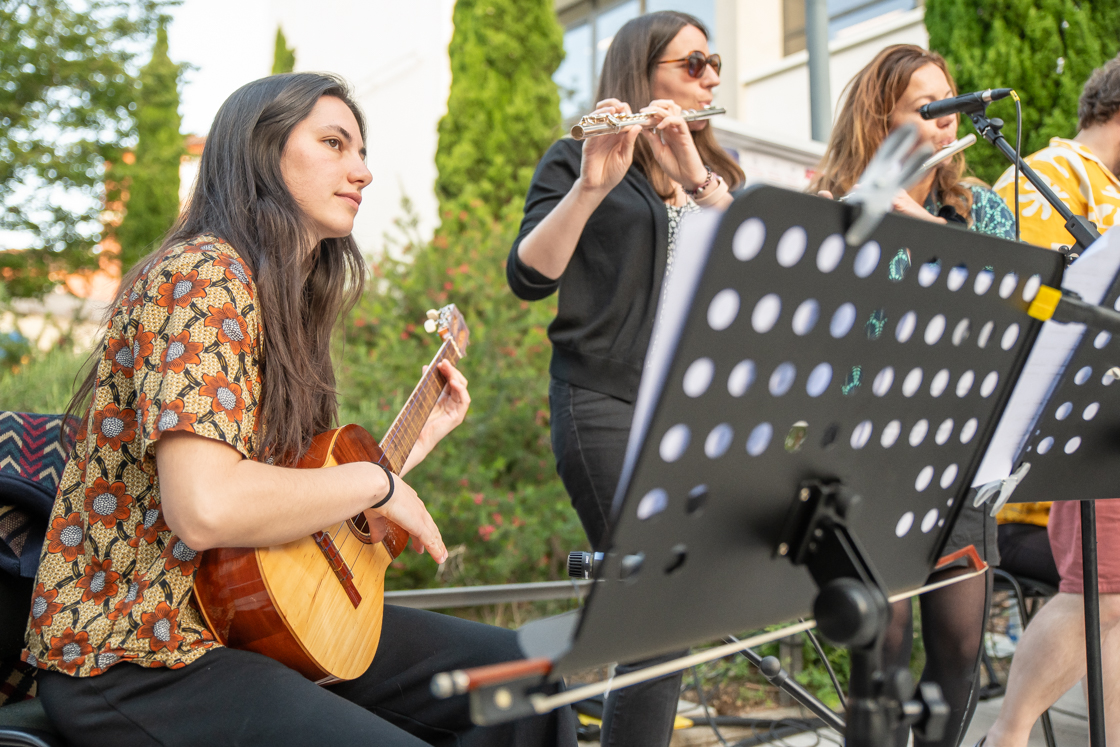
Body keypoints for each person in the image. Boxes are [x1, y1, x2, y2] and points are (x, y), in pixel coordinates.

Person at [21, 72, 577, 747]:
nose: (363, 171)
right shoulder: (203, 273)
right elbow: (206, 508)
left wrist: (409, 449)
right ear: (263, 152)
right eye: (335, 144)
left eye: (363, 151)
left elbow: (292, 493)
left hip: (247, 623)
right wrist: (380, 481)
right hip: (135, 651)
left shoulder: (285, 300)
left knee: (524, 680)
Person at [507, 11, 743, 747]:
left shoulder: (717, 175)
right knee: (654, 593)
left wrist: (694, 173)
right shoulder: (577, 157)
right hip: (601, 398)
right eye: (691, 64)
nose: (709, 77)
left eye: (714, 65)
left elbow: (755, 267)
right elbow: (527, 276)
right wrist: (589, 186)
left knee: (668, 603)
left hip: (689, 410)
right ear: (641, 74)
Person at [809, 43, 1016, 747]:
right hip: (866, 454)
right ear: (881, 118)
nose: (945, 123)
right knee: (884, 649)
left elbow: (1008, 302)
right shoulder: (836, 204)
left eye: (951, 105)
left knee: (960, 649)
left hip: (957, 453)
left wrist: (919, 227)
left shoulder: (979, 206)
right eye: (927, 109)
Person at [982, 52, 1120, 747]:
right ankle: (1005, 735)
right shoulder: (1048, 179)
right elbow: (1026, 318)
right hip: (1071, 457)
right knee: (1103, 597)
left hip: (1104, 439)